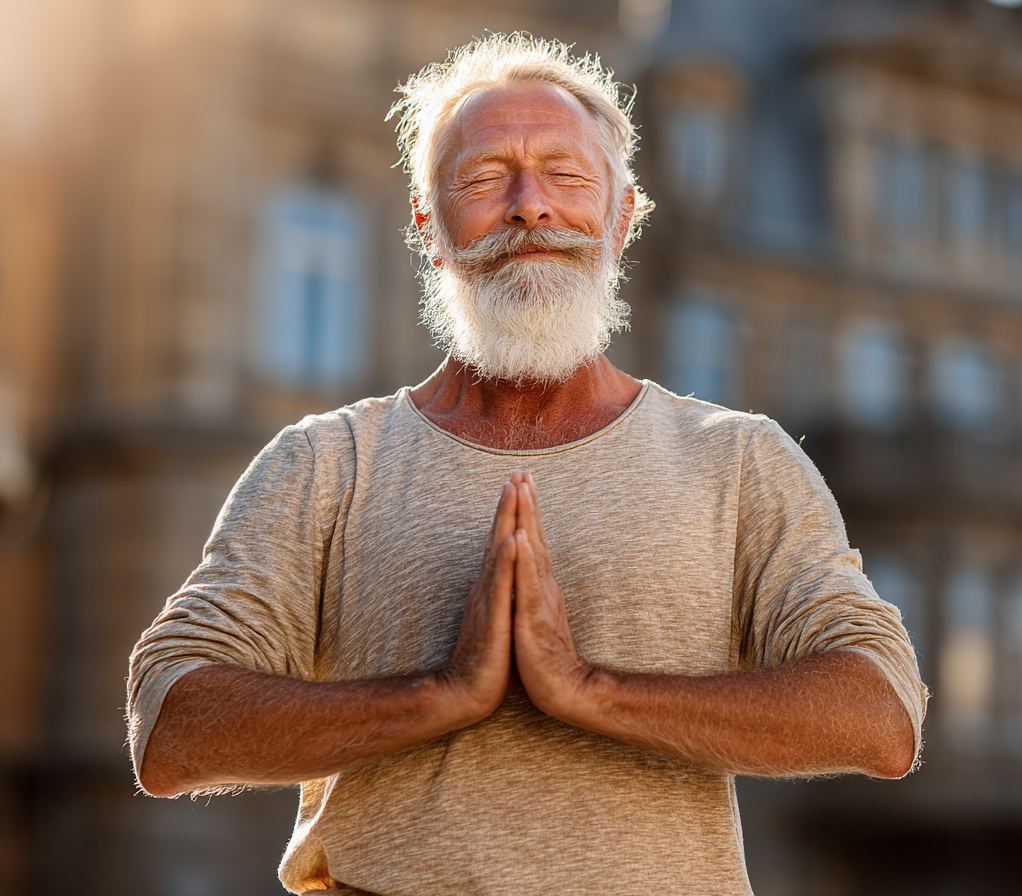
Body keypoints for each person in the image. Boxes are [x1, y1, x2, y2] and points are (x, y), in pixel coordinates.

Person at [127, 34, 927, 896]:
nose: (529, 206)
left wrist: (589, 691)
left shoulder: (738, 459)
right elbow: (169, 726)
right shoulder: (326, 463)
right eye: (484, 178)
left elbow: (881, 711)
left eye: (565, 174)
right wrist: (439, 693)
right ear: (429, 227)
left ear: (622, 218)